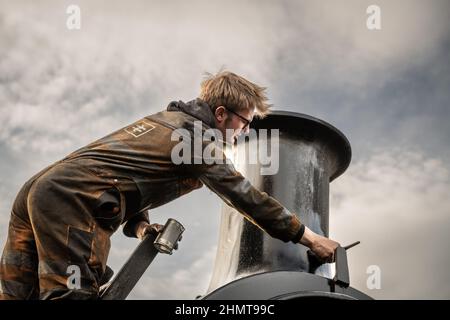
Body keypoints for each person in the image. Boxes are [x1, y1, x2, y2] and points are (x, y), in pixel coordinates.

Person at [0, 70, 339, 300]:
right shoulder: (195, 139)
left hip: (39, 192)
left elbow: (123, 177)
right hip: (70, 199)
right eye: (246, 122)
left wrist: (141, 227)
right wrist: (309, 237)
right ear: (222, 114)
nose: (246, 132)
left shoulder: (165, 123)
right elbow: (242, 195)